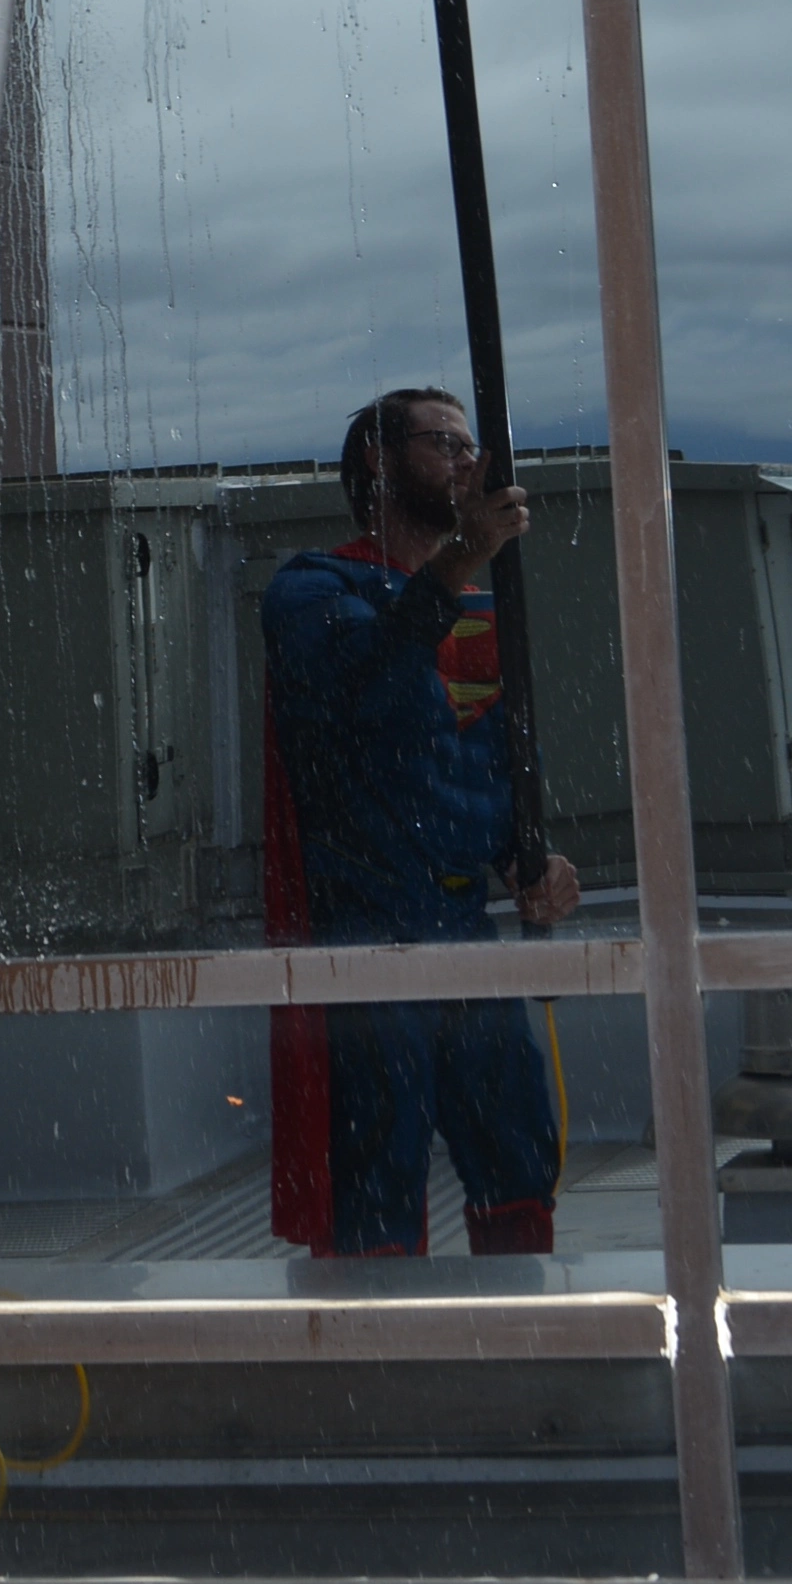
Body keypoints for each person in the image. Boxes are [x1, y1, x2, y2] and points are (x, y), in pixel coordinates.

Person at [259, 389, 579, 1260]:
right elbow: (371, 691)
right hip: (366, 939)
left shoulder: (479, 598)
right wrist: (465, 557)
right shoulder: (310, 590)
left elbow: (478, 759)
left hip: (465, 929)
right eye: (445, 444)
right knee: (377, 1172)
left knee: (519, 1156)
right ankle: (381, 1366)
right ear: (378, 460)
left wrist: (530, 855)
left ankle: (524, 1355)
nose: (469, 464)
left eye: (469, 446)